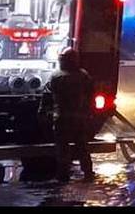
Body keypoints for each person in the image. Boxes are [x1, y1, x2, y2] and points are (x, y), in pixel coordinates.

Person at [45, 48, 95, 182]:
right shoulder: (83, 75)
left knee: (63, 148)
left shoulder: (56, 76)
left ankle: (63, 175)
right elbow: (91, 94)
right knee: (82, 147)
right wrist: (90, 112)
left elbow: (47, 95)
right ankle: (88, 172)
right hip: (79, 118)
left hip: (62, 118)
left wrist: (43, 112)